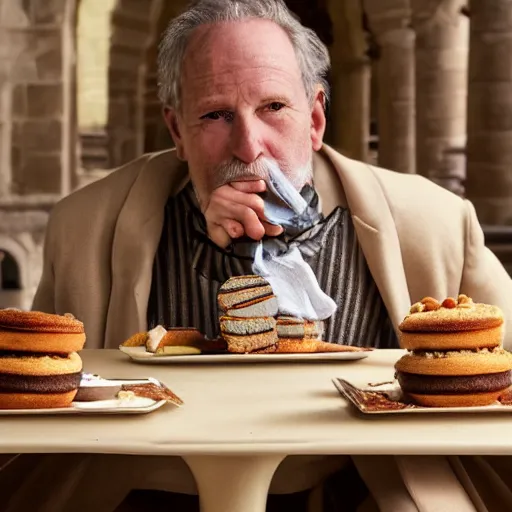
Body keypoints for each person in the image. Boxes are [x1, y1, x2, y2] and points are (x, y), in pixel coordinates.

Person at [2, 0, 512, 511]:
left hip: (366, 487)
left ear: (314, 119)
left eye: (273, 107)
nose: (248, 147)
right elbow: (38, 389)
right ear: (178, 131)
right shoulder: (84, 227)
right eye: (216, 115)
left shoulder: (435, 222)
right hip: (148, 488)